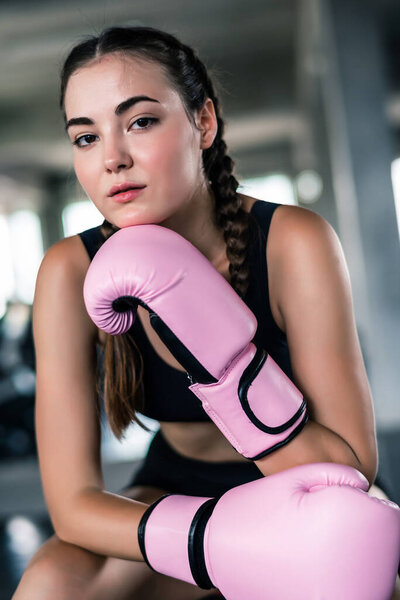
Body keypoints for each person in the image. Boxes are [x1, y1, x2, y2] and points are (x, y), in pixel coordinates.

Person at [12, 25, 400, 600]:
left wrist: (218, 351)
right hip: (179, 493)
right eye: (86, 137)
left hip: (310, 488)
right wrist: (206, 540)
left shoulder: (291, 241)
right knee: (50, 584)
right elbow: (72, 505)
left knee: (356, 577)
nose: (113, 158)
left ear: (203, 122)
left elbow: (351, 468)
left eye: (140, 121)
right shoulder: (71, 270)